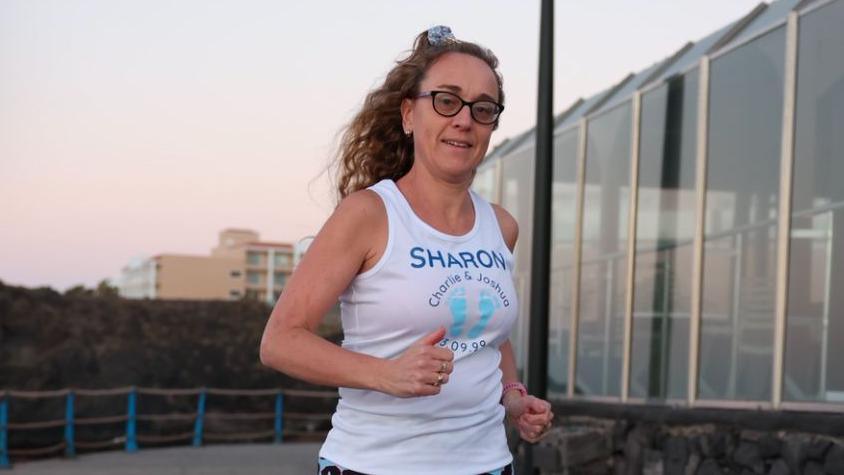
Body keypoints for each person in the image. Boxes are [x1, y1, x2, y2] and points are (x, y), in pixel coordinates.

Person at [260, 25, 554, 475]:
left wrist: (514, 398)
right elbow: (280, 342)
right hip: (375, 465)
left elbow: (488, 330)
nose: (464, 119)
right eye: (446, 100)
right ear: (408, 115)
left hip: (489, 465)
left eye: (483, 108)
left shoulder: (501, 225)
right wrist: (387, 374)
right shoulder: (369, 215)